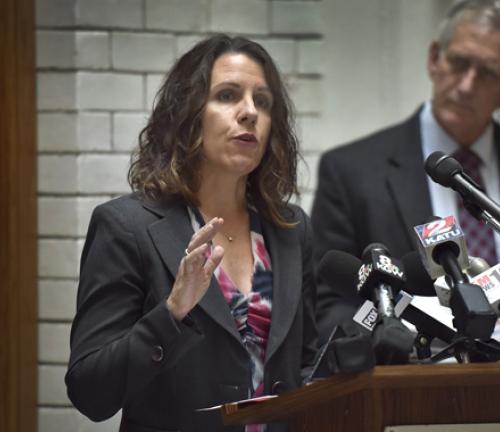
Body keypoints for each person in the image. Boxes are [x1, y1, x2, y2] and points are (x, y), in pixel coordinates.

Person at [311, 1, 500, 430]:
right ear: (435, 59)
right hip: (399, 410)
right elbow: (329, 307)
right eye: (458, 63)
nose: (466, 85)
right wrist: (389, 340)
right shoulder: (353, 170)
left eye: (487, 73)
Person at [65, 34, 319, 432]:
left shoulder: (290, 229)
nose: (250, 112)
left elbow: (307, 363)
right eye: (228, 95)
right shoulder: (127, 227)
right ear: (188, 113)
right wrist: (172, 313)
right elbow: (90, 392)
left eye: (263, 101)